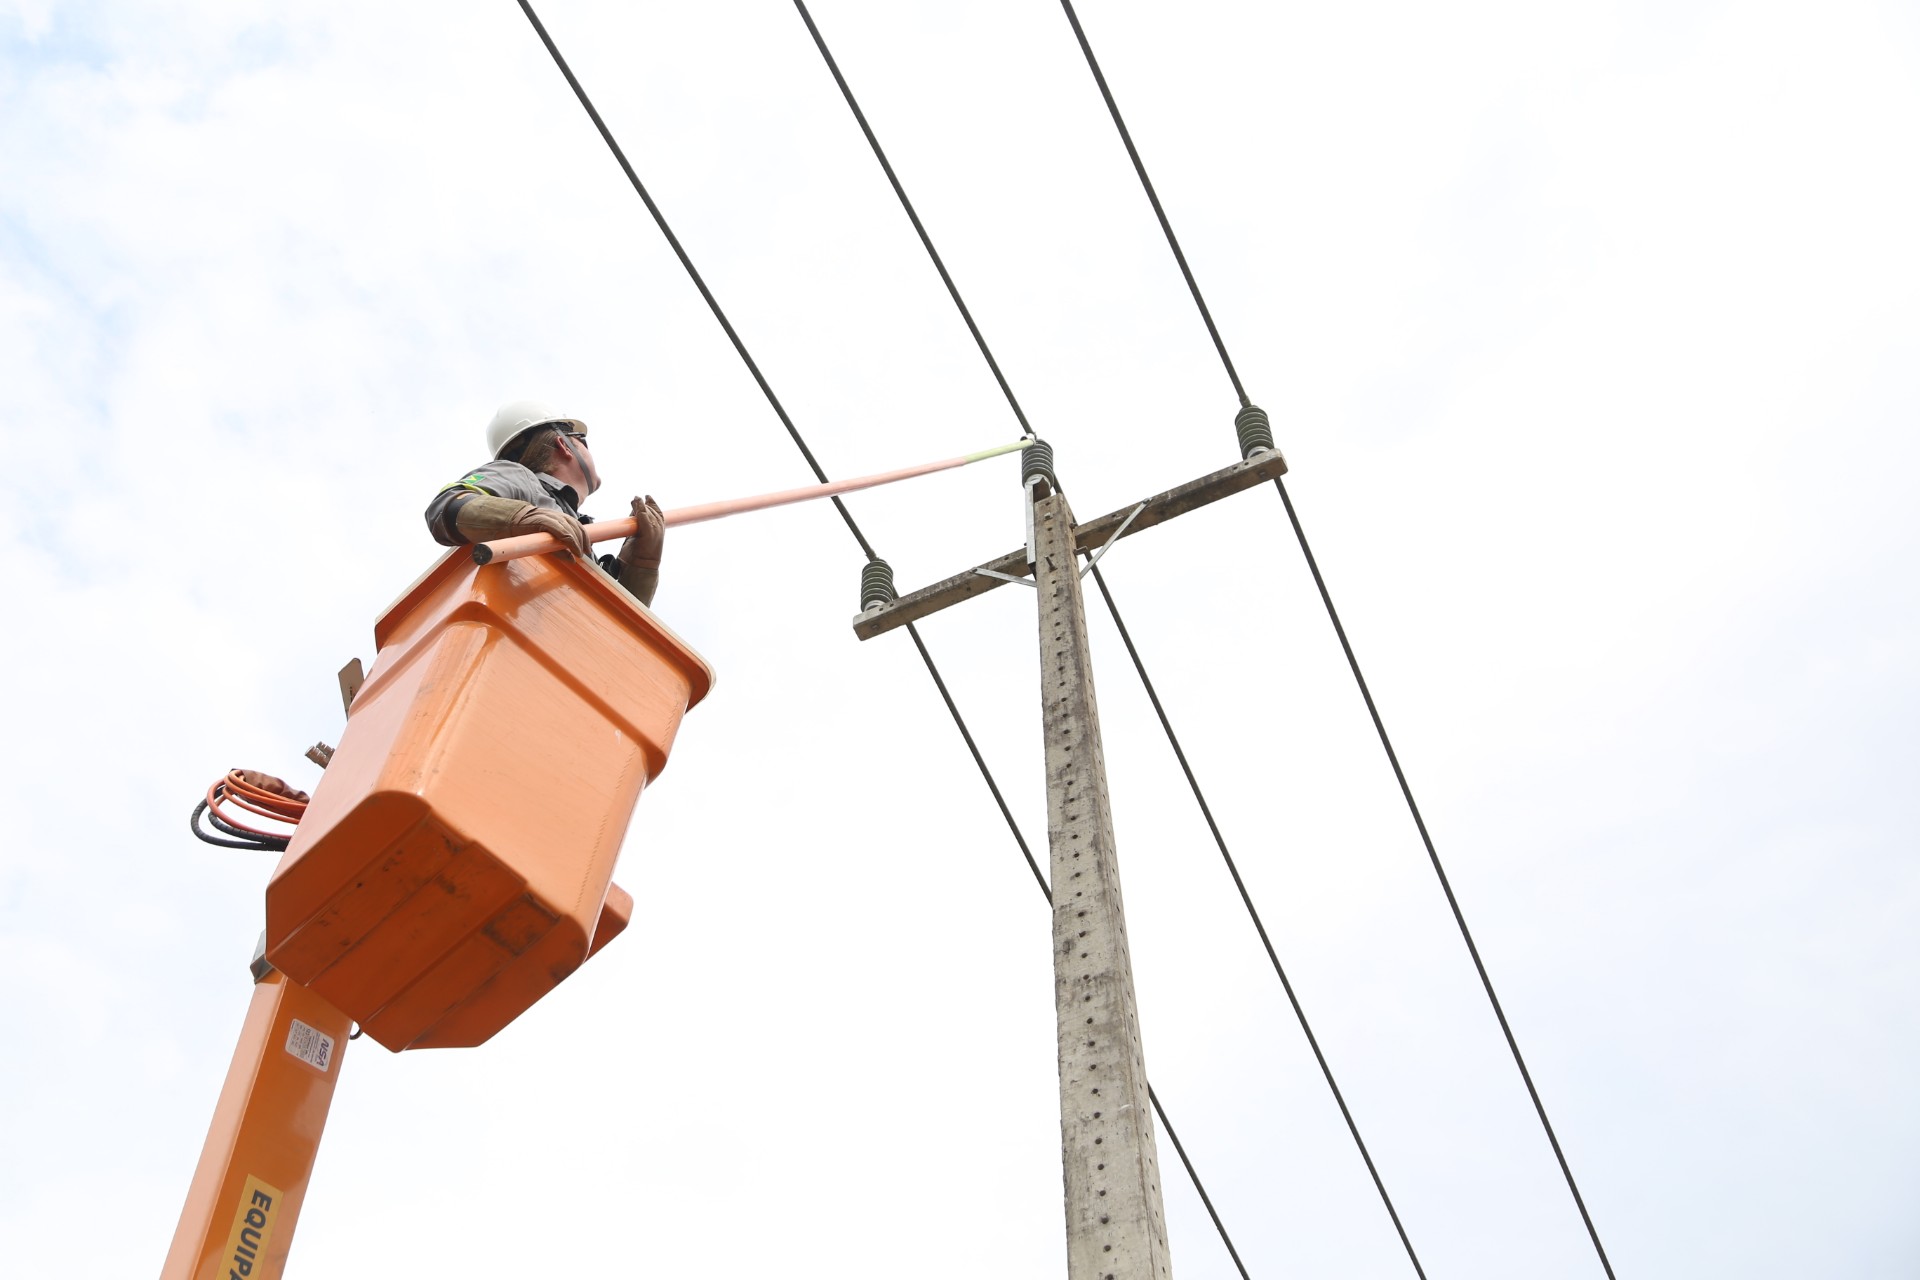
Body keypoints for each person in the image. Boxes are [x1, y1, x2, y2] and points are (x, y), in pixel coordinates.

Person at [425, 399, 666, 606]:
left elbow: (613, 626)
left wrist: (641, 566)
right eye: (582, 440)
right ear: (564, 444)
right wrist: (521, 517)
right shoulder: (519, 477)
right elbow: (447, 506)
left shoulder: (572, 522)